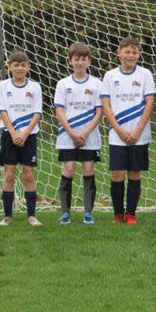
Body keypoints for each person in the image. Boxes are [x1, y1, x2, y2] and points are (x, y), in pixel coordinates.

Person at [100, 36, 156, 225]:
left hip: (139, 134)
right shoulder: (110, 76)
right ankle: (118, 214)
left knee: (134, 172)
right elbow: (106, 105)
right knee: (117, 174)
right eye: (127, 52)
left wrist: (138, 130)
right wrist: (118, 129)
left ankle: (131, 214)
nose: (130, 55)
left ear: (139, 54)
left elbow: (150, 102)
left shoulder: (145, 74)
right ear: (119, 53)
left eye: (134, 52)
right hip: (118, 134)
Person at [54, 43, 102, 226]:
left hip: (90, 136)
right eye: (76, 59)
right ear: (70, 61)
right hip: (67, 136)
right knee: (68, 170)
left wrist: (85, 133)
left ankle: (88, 213)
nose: (80, 62)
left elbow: (100, 112)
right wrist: (72, 133)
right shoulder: (63, 84)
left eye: (83, 59)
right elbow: (59, 110)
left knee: (88, 170)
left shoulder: (97, 83)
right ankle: (65, 213)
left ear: (89, 61)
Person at [0, 50, 43, 227]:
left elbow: (38, 113)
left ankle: (31, 216)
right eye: (16, 65)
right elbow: (2, 111)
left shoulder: (35, 87)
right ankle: (7, 216)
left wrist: (24, 133)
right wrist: (14, 133)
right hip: (9, 134)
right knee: (9, 175)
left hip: (29, 135)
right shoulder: (3, 86)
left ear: (28, 67)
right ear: (9, 67)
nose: (19, 68)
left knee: (28, 175)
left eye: (23, 65)